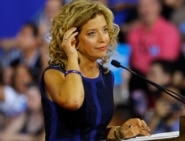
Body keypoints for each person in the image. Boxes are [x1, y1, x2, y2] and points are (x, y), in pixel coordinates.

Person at [40, 0, 151, 141]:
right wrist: (72, 57)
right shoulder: (54, 74)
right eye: (92, 33)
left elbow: (94, 131)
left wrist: (119, 132)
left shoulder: (106, 76)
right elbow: (73, 101)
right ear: (72, 39)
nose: (103, 39)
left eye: (105, 30)